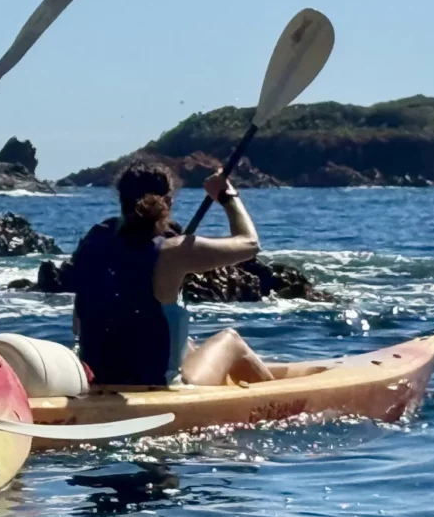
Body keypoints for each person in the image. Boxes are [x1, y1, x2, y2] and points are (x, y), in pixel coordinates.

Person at [64, 161, 280, 387]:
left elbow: (78, 325)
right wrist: (227, 196)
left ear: (121, 200)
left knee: (188, 345)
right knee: (231, 340)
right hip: (157, 386)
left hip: (98, 381)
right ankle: (277, 405)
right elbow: (250, 244)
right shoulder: (173, 251)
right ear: (168, 201)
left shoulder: (91, 245)